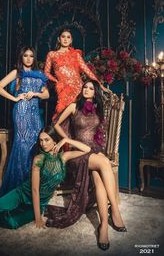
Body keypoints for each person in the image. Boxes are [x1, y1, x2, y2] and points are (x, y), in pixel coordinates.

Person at [45, 79, 126, 250]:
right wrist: (67, 139)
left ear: (95, 92)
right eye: (85, 87)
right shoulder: (74, 107)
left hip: (95, 151)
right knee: (104, 163)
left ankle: (103, 224)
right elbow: (55, 124)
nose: (87, 90)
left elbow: (99, 134)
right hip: (79, 153)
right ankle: (115, 212)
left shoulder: (98, 109)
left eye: (91, 88)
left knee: (98, 177)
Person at [0, 46, 49, 196]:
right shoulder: (16, 73)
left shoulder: (39, 74)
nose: (29, 58)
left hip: (35, 114)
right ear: (21, 57)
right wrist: (14, 98)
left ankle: (33, 186)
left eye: (31, 56)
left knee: (35, 145)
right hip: (21, 111)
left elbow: (47, 95)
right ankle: (18, 187)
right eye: (26, 55)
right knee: (22, 145)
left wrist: (36, 93)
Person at [44, 29, 110, 123]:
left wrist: (100, 85)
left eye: (68, 37)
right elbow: (46, 72)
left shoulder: (75, 54)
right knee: (63, 117)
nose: (65, 39)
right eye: (63, 37)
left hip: (78, 89)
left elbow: (86, 70)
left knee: (79, 116)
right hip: (64, 89)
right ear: (59, 39)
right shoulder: (52, 54)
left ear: (71, 40)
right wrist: (56, 81)